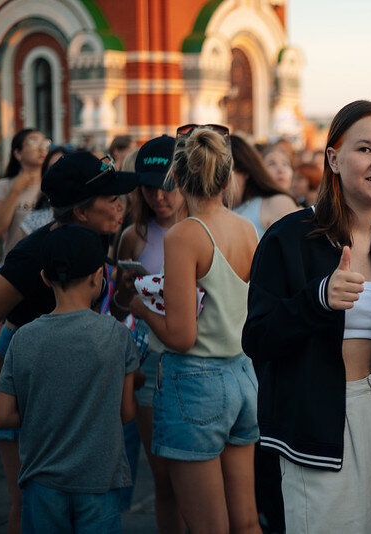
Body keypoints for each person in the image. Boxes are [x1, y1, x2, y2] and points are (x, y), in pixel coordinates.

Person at [242, 100, 371, 534]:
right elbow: (256, 338)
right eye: (365, 149)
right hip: (317, 423)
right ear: (333, 157)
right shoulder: (290, 237)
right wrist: (318, 299)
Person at [0, 151, 137, 533]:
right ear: (81, 212)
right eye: (111, 199)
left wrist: (122, 298)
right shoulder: (34, 255)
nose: (120, 205)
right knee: (28, 500)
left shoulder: (97, 239)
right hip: (27, 362)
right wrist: (9, 382)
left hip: (72, 356)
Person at [125, 125, 260, 533]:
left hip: (195, 382)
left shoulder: (186, 235)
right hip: (242, 375)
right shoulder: (246, 228)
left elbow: (181, 336)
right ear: (226, 176)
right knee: (248, 522)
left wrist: (142, 308)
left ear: (179, 179)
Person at [112, 135, 186, 534]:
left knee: (200, 481)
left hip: (195, 359)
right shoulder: (134, 236)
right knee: (164, 481)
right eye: (149, 186)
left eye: (169, 185)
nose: (160, 196)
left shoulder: (200, 229)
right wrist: (125, 288)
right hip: (149, 363)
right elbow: (120, 310)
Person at [0, 129, 49, 258]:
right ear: (18, 153)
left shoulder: (51, 186)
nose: (41, 148)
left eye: (45, 143)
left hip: (46, 265)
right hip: (15, 264)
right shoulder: (5, 185)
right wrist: (15, 191)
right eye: (34, 142)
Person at [229, 135, 298, 239]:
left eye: (285, 164)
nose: (280, 170)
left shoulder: (279, 202)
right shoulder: (239, 205)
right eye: (271, 164)